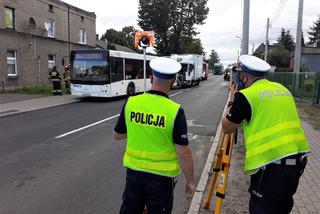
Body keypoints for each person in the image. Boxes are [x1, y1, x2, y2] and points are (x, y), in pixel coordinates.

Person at [222, 55, 310, 214]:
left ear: (244, 76)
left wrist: (231, 100)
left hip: (270, 170)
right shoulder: (282, 89)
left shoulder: (246, 95)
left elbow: (227, 127)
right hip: (295, 167)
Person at [113, 57, 195, 214]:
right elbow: (183, 153)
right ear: (173, 81)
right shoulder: (175, 111)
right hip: (161, 180)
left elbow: (117, 135)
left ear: (151, 78)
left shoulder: (131, 102)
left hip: (134, 175)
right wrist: (190, 180)